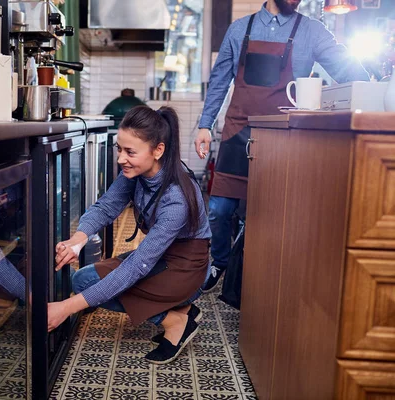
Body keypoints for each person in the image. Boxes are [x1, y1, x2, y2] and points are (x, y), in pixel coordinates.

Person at [194, 0, 369, 291]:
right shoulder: (239, 29)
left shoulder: (313, 31)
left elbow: (347, 67)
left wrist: (376, 86)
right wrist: (205, 124)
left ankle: (256, 274)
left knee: (268, 212)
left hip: (282, 137)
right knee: (220, 209)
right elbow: (219, 80)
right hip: (238, 130)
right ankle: (221, 260)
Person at [47, 106, 212, 364]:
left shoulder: (176, 198)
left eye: (130, 152)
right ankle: (184, 309)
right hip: (160, 255)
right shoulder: (136, 171)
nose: (121, 158)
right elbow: (107, 206)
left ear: (158, 150)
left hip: (186, 267)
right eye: (119, 150)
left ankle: (177, 320)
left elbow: (137, 267)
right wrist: (77, 239)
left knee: (91, 283)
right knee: (85, 280)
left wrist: (64, 308)